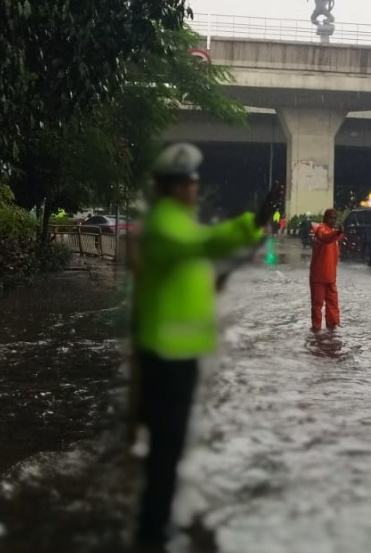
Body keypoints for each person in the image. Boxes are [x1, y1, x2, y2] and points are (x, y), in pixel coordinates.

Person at [131, 142, 281, 550]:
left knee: (169, 448)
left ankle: (157, 524)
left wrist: (254, 227)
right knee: (165, 451)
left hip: (177, 355)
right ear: (173, 187)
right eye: (190, 182)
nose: (195, 188)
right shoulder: (166, 225)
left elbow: (201, 263)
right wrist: (259, 218)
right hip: (166, 356)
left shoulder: (181, 223)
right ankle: (152, 535)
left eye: (196, 182)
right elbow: (207, 245)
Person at [309, 208, 345, 331]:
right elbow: (325, 237)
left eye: (335, 218)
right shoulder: (321, 230)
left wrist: (339, 233)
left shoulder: (333, 232)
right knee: (317, 304)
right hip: (318, 276)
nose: (333, 220)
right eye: (331, 217)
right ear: (325, 218)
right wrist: (337, 233)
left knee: (333, 304)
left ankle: (333, 326)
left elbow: (334, 237)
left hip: (330, 277)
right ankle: (316, 328)